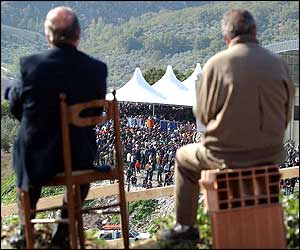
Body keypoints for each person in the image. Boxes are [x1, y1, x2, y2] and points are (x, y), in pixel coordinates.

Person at [160, 9, 294, 243]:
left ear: (227, 38)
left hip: (225, 156)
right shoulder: (279, 64)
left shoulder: (217, 63)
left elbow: (203, 114)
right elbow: (286, 113)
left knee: (183, 156)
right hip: (270, 156)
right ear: (255, 32)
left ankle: (186, 227)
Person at [5, 6, 107, 248]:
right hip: (80, 157)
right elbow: (95, 113)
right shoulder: (96, 69)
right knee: (78, 172)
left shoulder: (31, 66)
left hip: (38, 159)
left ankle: (24, 228)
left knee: (24, 153)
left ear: (48, 35)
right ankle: (62, 233)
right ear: (78, 34)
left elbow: (15, 107)